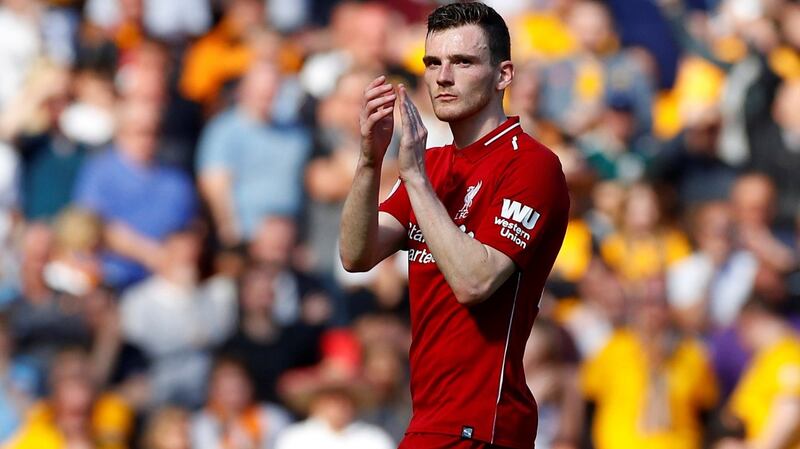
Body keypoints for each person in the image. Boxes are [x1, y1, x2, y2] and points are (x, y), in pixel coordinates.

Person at [338, 3, 570, 448]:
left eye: (462, 62)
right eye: (432, 63)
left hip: (484, 423)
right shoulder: (432, 166)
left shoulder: (532, 165)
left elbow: (474, 280)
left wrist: (415, 179)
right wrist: (369, 160)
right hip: (430, 420)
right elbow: (355, 254)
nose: (443, 77)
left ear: (503, 75)